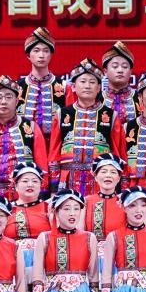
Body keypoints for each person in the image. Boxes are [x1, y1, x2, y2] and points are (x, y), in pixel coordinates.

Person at [51, 59, 116, 197]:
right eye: (83, 81)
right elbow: (54, 152)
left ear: (99, 88)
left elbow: (116, 153)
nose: (87, 86)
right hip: (67, 178)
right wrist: (53, 188)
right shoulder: (62, 114)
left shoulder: (111, 115)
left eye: (92, 82)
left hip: (99, 180)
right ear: (74, 87)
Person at [4, 160, 51, 272]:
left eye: (35, 181)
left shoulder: (49, 208)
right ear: (16, 185)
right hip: (12, 262)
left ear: (41, 185)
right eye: (25, 181)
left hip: (43, 263)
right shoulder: (6, 210)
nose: (30, 184)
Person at [19, 27, 65, 141]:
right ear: (28, 55)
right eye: (36, 50)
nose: (41, 55)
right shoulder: (17, 87)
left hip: (54, 144)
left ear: (51, 54)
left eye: (46, 51)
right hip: (25, 144)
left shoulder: (64, 87)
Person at [84, 155, 126, 241]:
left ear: (118, 178)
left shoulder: (125, 202)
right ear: (96, 177)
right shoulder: (85, 202)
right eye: (103, 172)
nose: (108, 175)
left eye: (113, 172)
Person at [101, 42, 136, 124]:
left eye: (124, 67)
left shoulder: (140, 99)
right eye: (115, 66)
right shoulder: (97, 99)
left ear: (130, 72)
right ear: (105, 71)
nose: (120, 70)